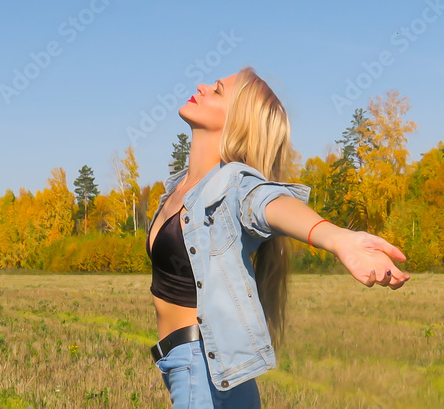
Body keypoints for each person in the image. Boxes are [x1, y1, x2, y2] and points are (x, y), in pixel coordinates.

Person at [146, 66, 411, 408]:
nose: (202, 86)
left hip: (201, 368)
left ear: (240, 119)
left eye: (217, 90)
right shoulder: (178, 187)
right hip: (188, 367)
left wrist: (335, 238)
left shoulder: (233, 184)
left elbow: (268, 202)